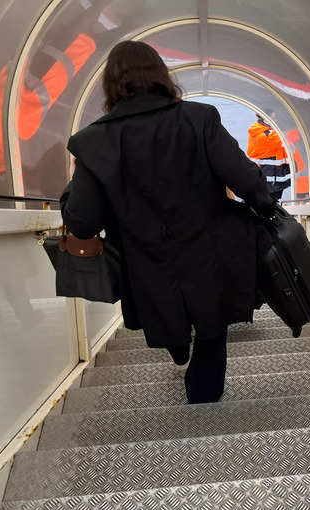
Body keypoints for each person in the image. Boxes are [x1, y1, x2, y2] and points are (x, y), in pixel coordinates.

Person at [60, 41, 274, 404]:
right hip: (210, 250)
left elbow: (81, 220)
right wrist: (266, 207)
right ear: (162, 76)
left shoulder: (94, 142)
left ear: (110, 86)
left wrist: (71, 197)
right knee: (211, 327)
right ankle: (204, 405)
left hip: (146, 260)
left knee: (168, 315)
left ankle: (177, 345)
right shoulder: (199, 119)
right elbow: (245, 178)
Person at [247, 112, 292, 200]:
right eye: (273, 118)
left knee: (271, 200)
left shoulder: (272, 130)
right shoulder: (258, 132)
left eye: (276, 118)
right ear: (265, 117)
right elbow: (278, 139)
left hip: (276, 177)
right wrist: (297, 131)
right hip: (267, 177)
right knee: (264, 201)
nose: (276, 120)